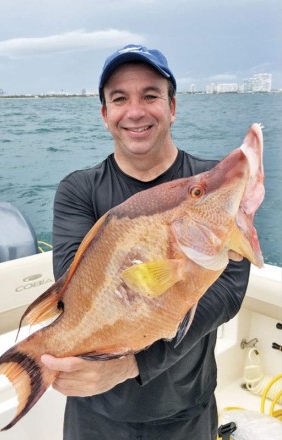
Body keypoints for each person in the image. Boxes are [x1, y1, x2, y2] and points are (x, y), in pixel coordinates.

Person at [41, 44, 250, 440]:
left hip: (185, 409)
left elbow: (226, 293)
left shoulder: (212, 185)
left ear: (173, 107)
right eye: (119, 99)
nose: (135, 111)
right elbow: (75, 292)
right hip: (95, 413)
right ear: (105, 115)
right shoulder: (78, 190)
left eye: (150, 95)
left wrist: (129, 366)